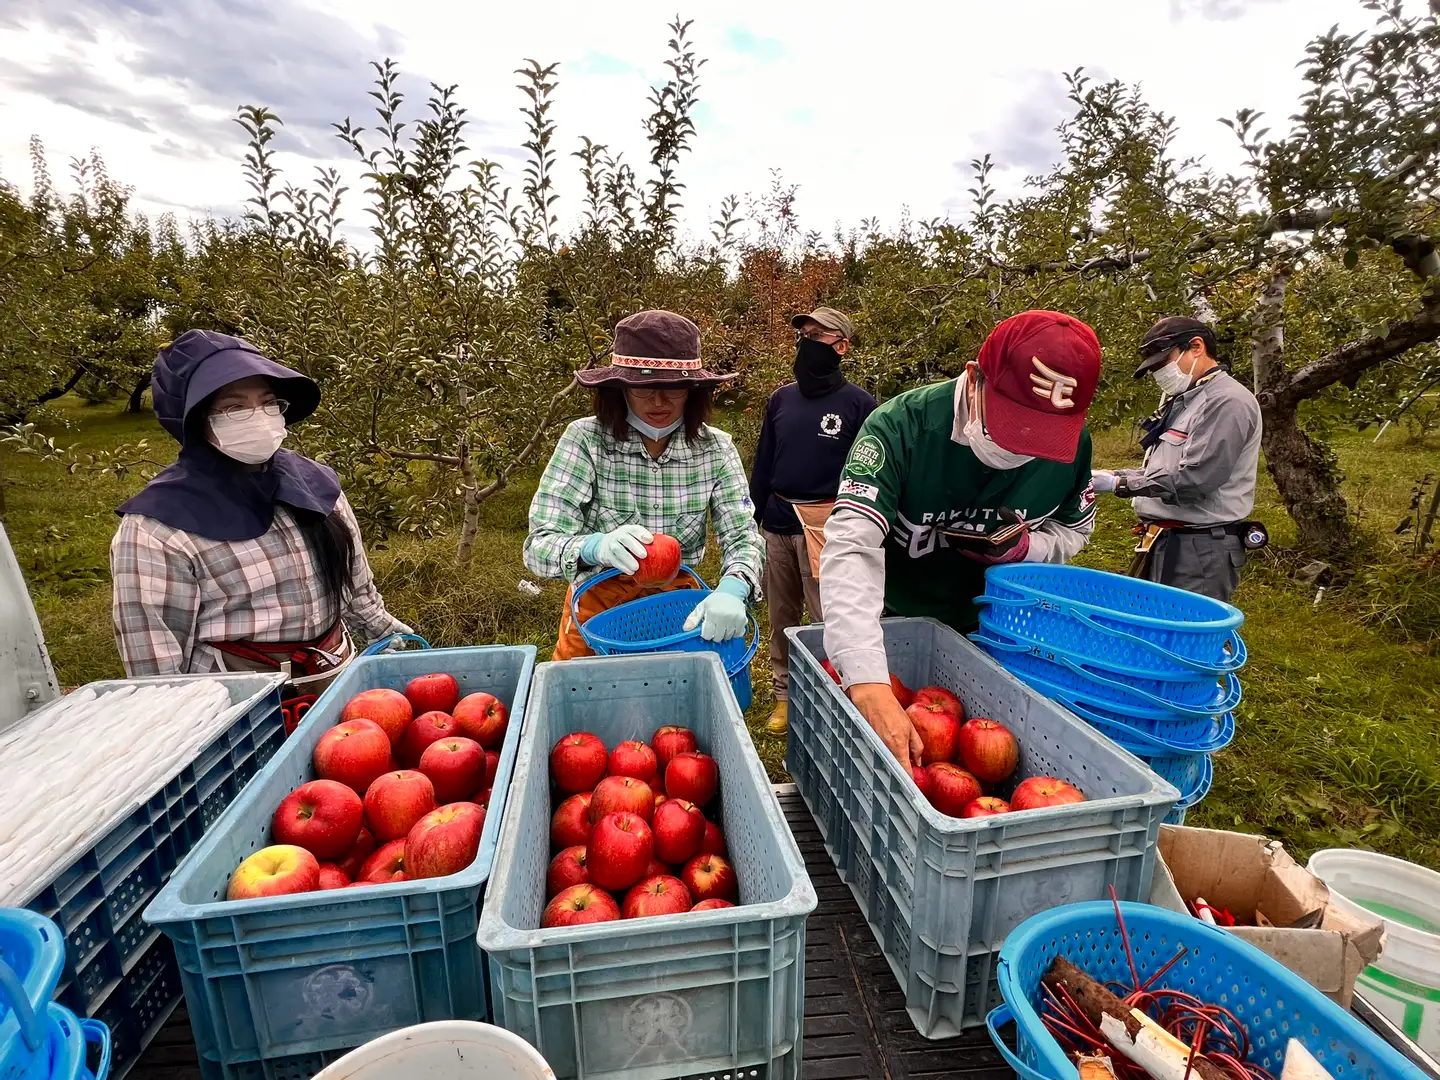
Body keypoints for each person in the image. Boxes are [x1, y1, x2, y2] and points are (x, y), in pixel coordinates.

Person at [820, 310, 1102, 766]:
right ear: (973, 380)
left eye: (1042, 434)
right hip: (897, 626)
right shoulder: (899, 429)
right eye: (1014, 424)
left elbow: (1075, 528)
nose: (1021, 447)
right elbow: (853, 545)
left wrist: (1029, 549)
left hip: (1002, 631)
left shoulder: (1073, 447)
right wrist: (867, 677)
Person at [110, 331, 410, 702]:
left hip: (337, 683)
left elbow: (358, 593)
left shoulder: (315, 485)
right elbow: (158, 672)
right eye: (234, 407)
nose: (259, 418)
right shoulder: (159, 527)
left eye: (268, 403)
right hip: (242, 709)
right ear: (194, 419)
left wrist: (400, 645)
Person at [524, 309, 764, 661]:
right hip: (599, 607)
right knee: (587, 706)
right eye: (642, 386)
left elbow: (742, 536)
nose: (658, 402)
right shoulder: (586, 441)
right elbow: (538, 545)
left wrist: (734, 586)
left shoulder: (715, 450)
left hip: (677, 607)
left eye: (673, 389)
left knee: (677, 711)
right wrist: (594, 547)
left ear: (693, 390)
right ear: (619, 389)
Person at [749, 307, 876, 735]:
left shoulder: (860, 406)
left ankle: (829, 693)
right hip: (778, 519)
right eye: (802, 335)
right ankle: (785, 695)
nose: (805, 342)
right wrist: (756, 513)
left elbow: (869, 475)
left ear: (841, 346)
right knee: (781, 613)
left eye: (817, 335)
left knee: (829, 617)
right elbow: (765, 460)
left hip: (828, 523)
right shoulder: (781, 399)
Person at [1090, 316, 1262, 604]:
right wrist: (1111, 472)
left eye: (1162, 363)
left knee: (1183, 638)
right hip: (1164, 541)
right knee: (1149, 631)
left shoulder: (1226, 402)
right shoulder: (1186, 399)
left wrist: (1119, 484)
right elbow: (1162, 470)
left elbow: (1195, 480)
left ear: (1196, 347)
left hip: (1200, 549)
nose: (1159, 373)